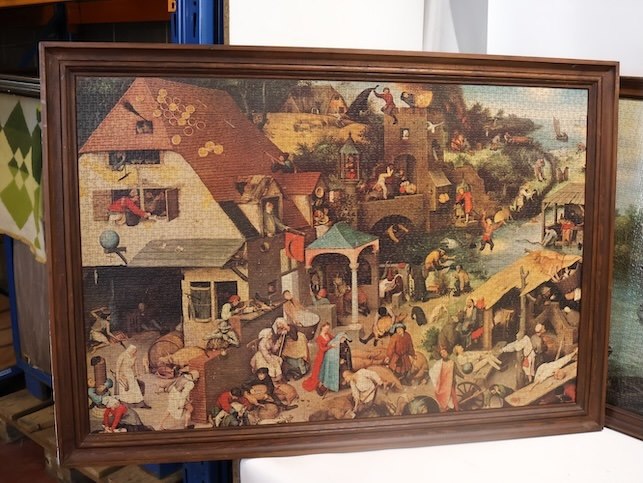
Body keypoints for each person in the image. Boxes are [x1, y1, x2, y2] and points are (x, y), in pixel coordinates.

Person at [302, 323, 334, 395]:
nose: (327, 330)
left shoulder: (327, 334)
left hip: (327, 354)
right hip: (321, 355)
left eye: (328, 328)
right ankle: (319, 385)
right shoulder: (319, 338)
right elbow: (322, 349)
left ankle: (324, 384)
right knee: (320, 371)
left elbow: (333, 338)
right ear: (322, 328)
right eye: (326, 328)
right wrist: (330, 346)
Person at [429, 346, 464, 412]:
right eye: (441, 353)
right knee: (444, 396)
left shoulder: (452, 362)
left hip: (451, 383)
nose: (443, 354)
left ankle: (457, 410)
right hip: (443, 384)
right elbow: (435, 372)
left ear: (447, 352)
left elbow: (457, 372)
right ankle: (446, 409)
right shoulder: (440, 363)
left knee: (453, 396)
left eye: (444, 352)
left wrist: (463, 377)